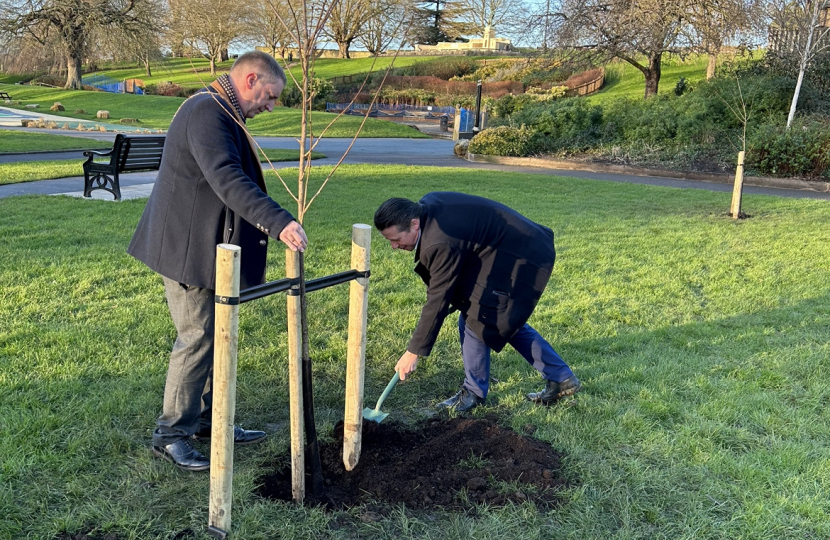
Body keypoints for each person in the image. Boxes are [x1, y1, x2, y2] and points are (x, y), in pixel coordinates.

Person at [128, 51, 308, 472]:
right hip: (187, 251)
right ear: (249, 80)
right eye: (270, 95)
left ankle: (208, 421)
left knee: (214, 337)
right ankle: (171, 434)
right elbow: (227, 179)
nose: (271, 105)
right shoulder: (207, 113)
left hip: (207, 249)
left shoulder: (220, 109)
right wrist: (278, 222)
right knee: (197, 338)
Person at [374, 192, 580, 412]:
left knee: (478, 318)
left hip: (521, 255)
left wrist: (413, 352)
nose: (394, 247)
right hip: (502, 249)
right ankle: (561, 377)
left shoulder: (439, 241)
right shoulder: (428, 206)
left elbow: (438, 298)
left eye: (396, 240)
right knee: (499, 321)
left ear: (414, 224)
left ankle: (473, 393)